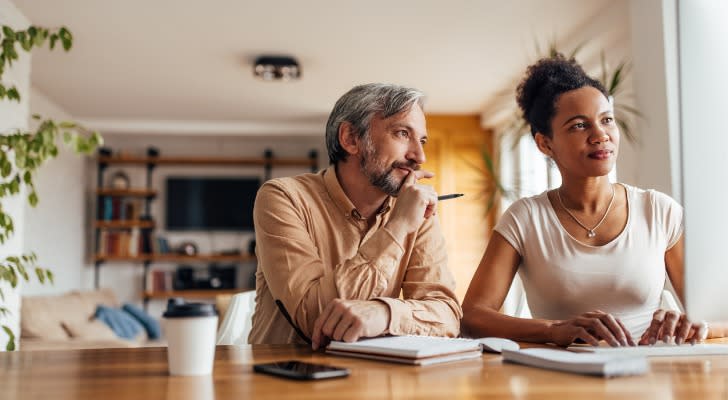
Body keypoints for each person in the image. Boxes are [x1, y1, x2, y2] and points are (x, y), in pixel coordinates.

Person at [461, 55, 713, 347]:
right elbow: (473, 317)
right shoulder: (525, 218)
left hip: (648, 377)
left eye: (606, 120)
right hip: (560, 381)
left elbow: (717, 313)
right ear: (545, 143)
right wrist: (554, 330)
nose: (600, 135)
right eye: (579, 126)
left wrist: (696, 323)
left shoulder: (658, 210)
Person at [248, 83, 461, 349]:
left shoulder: (415, 209)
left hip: (372, 378)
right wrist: (398, 227)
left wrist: (384, 314)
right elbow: (314, 320)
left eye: (422, 140)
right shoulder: (283, 196)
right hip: (285, 378)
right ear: (350, 138)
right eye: (402, 133)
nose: (419, 156)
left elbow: (447, 315)